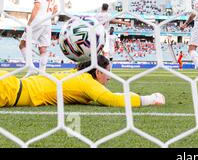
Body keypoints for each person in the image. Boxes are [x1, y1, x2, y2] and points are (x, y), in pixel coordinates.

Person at [0, 55, 165, 107]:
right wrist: (150, 99)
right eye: (108, 72)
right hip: (9, 91)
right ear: (97, 72)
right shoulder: (86, 81)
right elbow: (112, 99)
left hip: (10, 83)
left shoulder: (76, 73)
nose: (110, 77)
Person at [19, 0, 58, 76]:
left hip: (37, 22)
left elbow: (37, 7)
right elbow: (56, 9)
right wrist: (49, 17)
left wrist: (29, 24)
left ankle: (31, 67)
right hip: (47, 23)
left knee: (23, 44)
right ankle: (42, 73)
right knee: (43, 48)